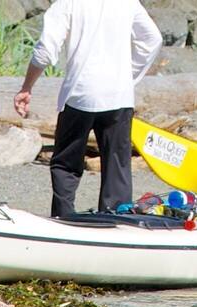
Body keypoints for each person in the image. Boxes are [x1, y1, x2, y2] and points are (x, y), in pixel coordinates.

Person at [13, 0, 162, 218]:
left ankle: (63, 218)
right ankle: (116, 219)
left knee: (66, 164)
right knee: (117, 166)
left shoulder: (67, 3)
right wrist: (128, 75)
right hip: (118, 96)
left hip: (80, 95)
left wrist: (26, 87)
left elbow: (45, 50)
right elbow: (152, 39)